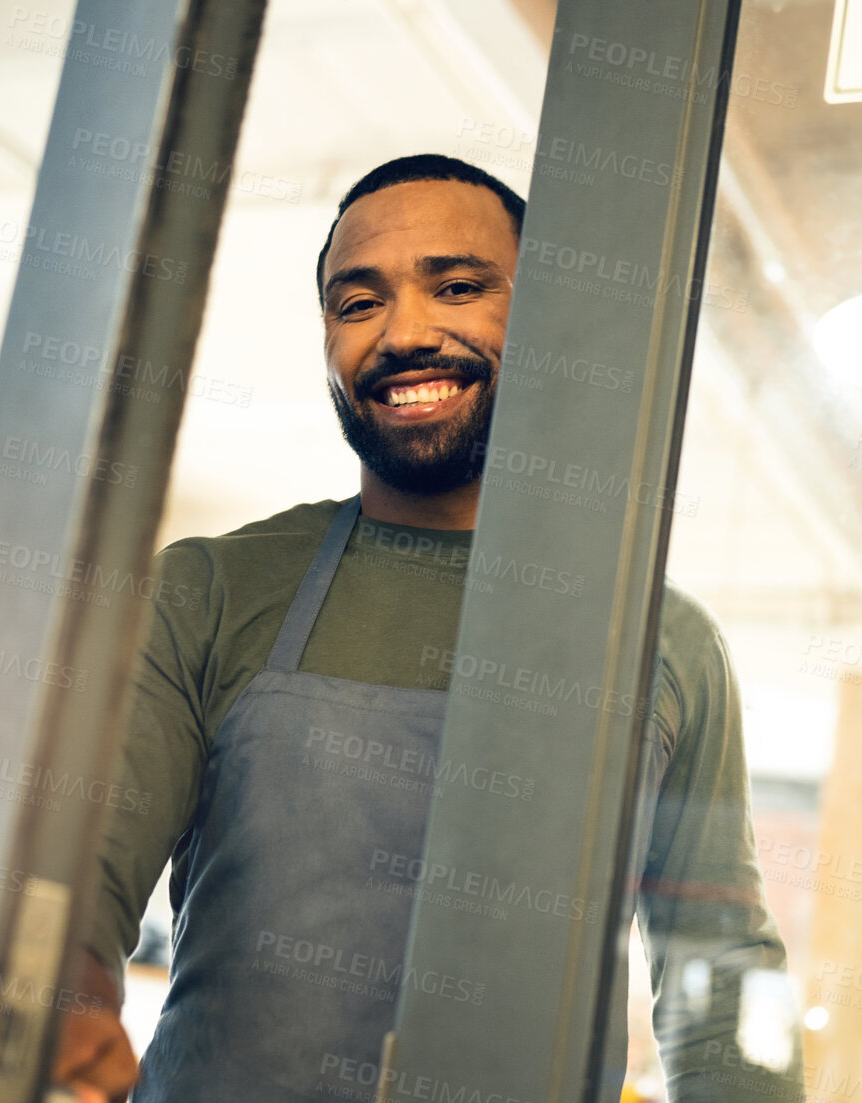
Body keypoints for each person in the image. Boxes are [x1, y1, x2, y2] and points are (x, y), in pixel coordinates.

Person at [49, 154, 802, 1102]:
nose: (405, 333)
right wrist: (65, 1014)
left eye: (457, 287)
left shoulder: (661, 643)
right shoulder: (210, 589)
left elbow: (723, 973)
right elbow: (74, 890)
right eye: (358, 304)